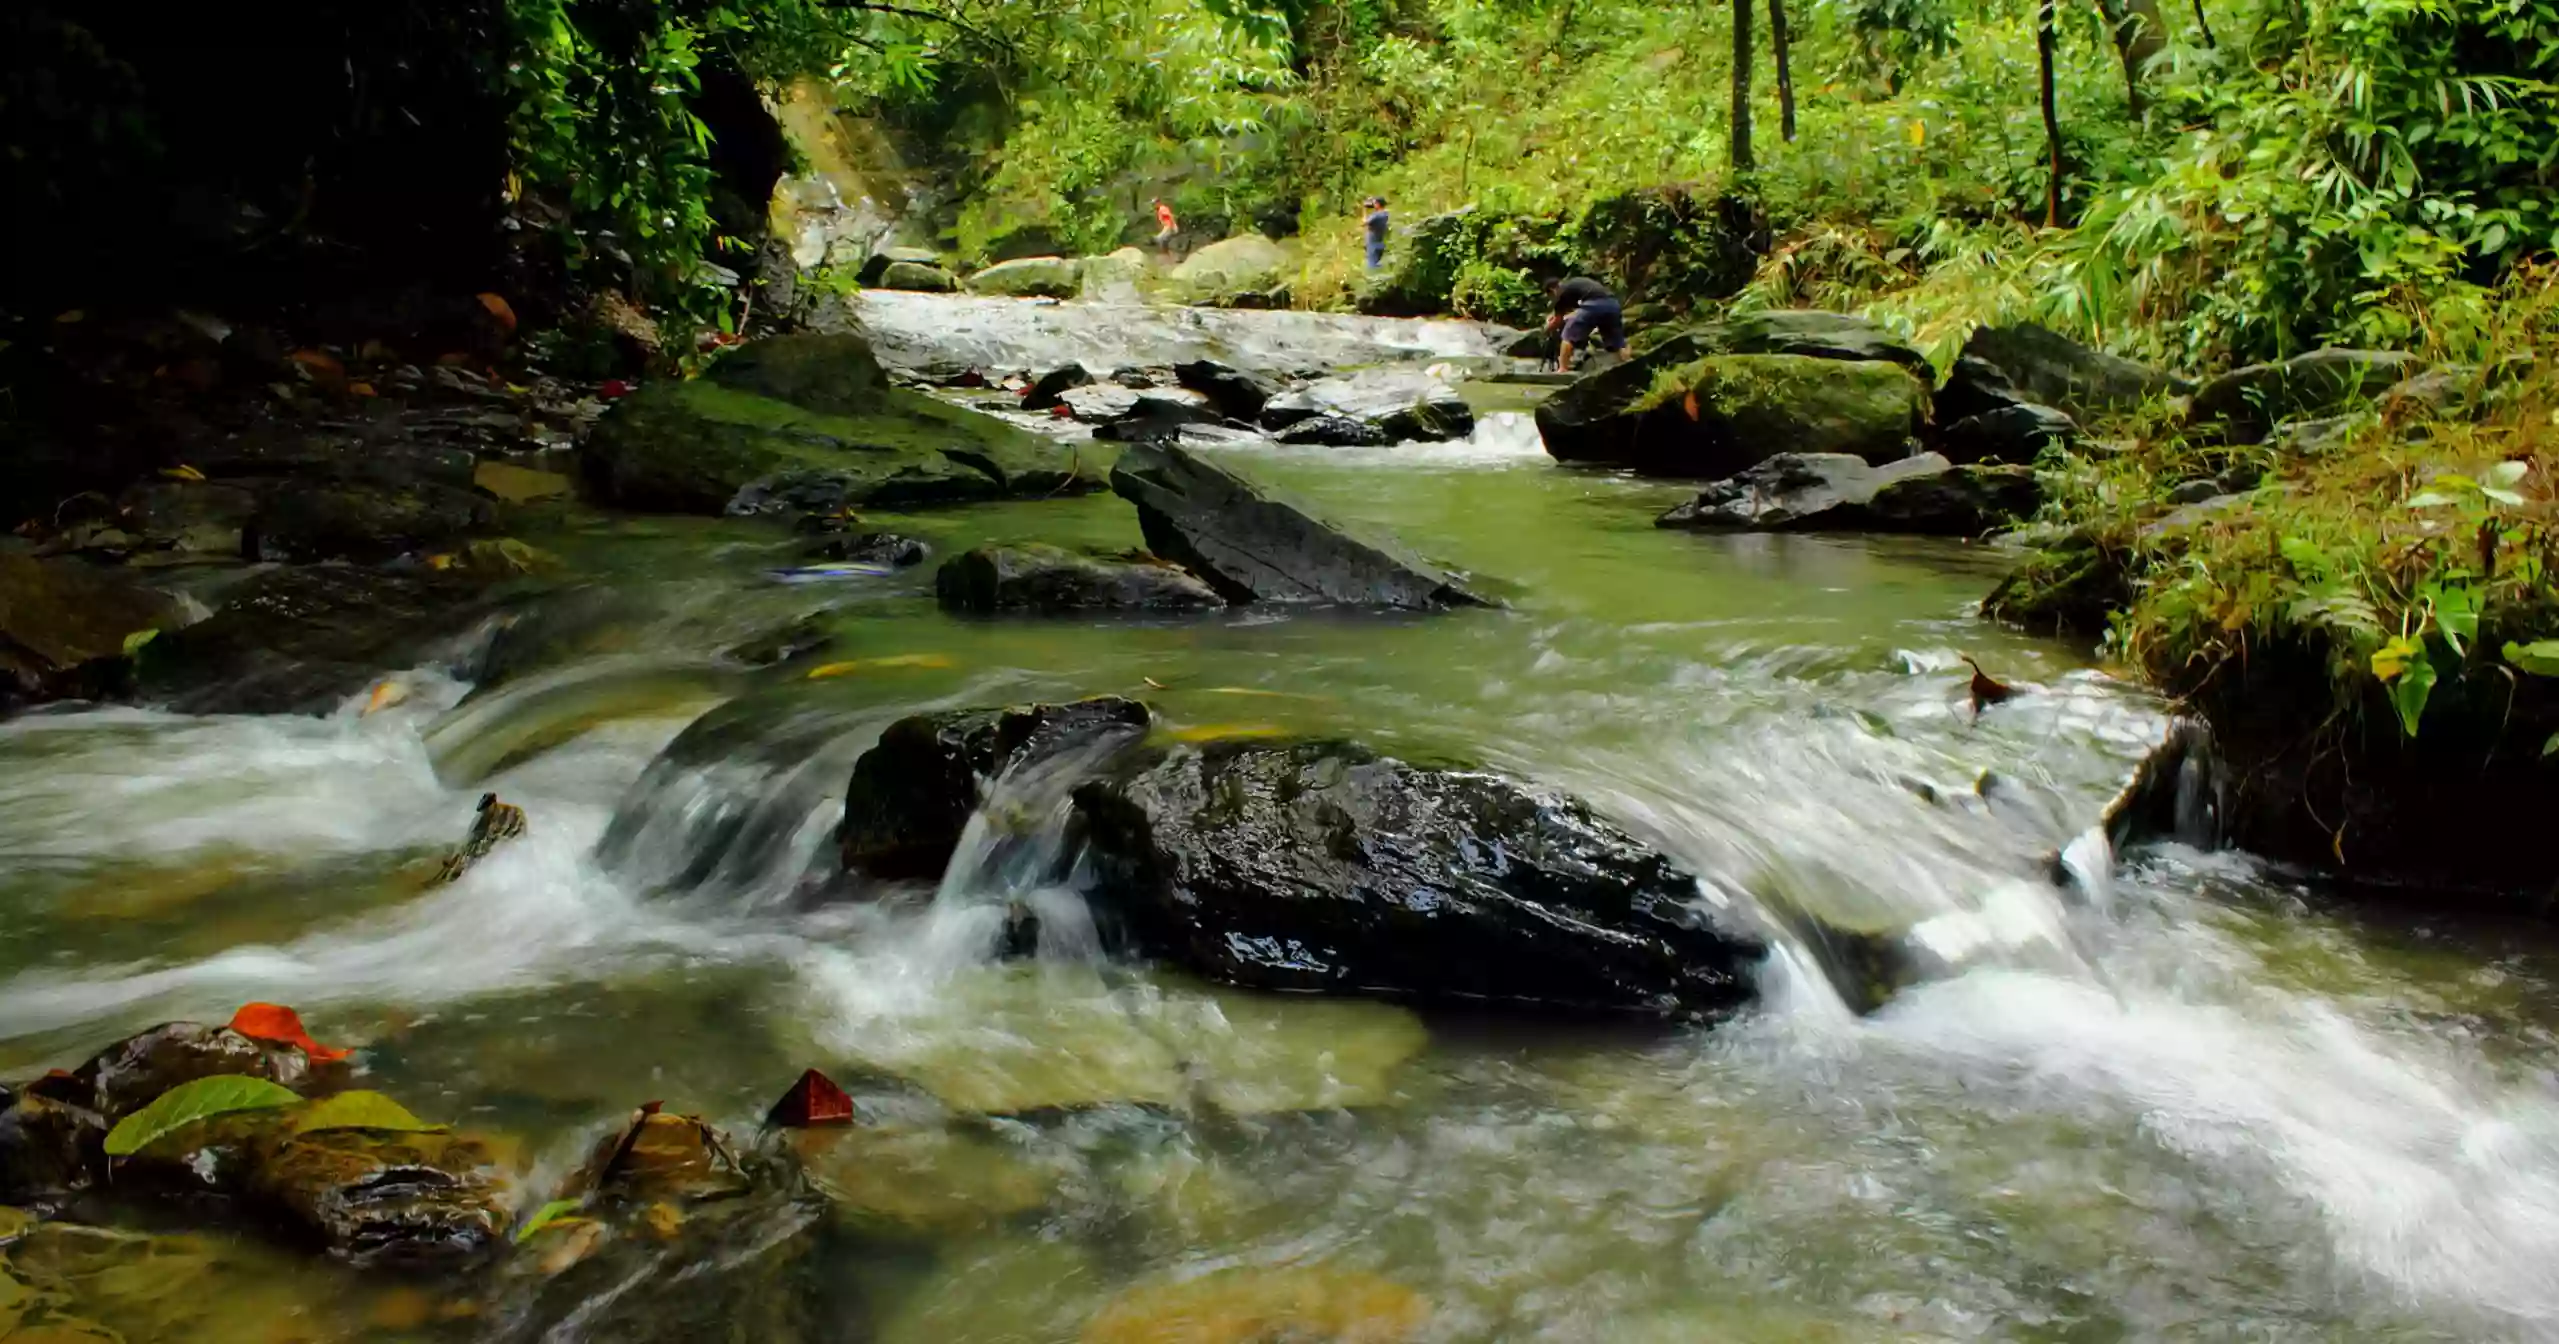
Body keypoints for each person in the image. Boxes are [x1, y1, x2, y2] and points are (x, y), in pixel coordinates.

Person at [1545, 275, 1625, 372]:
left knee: (1568, 335)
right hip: (1612, 305)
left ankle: (1562, 369)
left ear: (1552, 290)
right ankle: (1626, 365)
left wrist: (1546, 329)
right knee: (1617, 343)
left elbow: (1558, 320)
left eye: (1551, 296)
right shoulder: (1575, 283)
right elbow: (1571, 311)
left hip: (1594, 305)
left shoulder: (1562, 291)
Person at [1362, 196, 1390, 271]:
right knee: (1378, 265)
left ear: (1378, 204)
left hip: (1372, 243)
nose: (1373, 205)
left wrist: (1364, 210)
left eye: (1374, 203)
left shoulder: (1376, 215)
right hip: (1380, 241)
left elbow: (1364, 223)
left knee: (1372, 267)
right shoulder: (1386, 214)